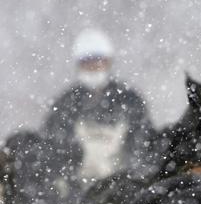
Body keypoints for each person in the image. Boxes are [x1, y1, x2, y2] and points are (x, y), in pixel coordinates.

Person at [43, 28, 154, 182]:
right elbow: (52, 149)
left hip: (122, 185)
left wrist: (132, 177)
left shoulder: (130, 101)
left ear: (108, 63)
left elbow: (144, 145)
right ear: (78, 65)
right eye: (87, 63)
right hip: (76, 189)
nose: (93, 68)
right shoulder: (64, 104)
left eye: (97, 62)